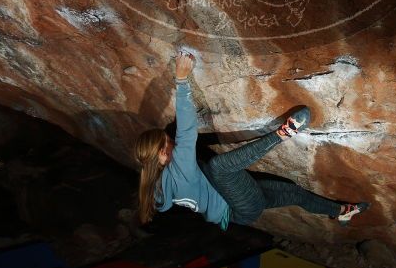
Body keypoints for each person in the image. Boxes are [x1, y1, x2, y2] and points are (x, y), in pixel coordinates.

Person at [134, 50, 370, 231]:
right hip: (239, 207)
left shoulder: (159, 186)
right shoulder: (176, 170)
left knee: (295, 194)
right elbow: (186, 130)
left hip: (236, 207)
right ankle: (284, 133)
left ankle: (342, 211)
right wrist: (182, 79)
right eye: (169, 140)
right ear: (162, 153)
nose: (173, 141)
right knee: (218, 168)